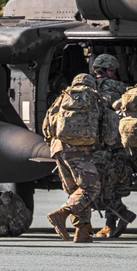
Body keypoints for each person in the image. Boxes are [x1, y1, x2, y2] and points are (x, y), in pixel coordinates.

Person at [43, 73, 104, 243]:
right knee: (90, 188)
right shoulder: (94, 97)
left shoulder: (62, 97)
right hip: (79, 149)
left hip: (57, 148)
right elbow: (108, 127)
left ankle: (82, 232)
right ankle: (61, 214)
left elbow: (46, 125)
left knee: (75, 191)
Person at [87, 53, 137, 239]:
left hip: (96, 146)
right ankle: (113, 221)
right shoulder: (123, 88)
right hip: (119, 145)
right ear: (110, 70)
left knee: (99, 186)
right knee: (114, 185)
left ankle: (116, 219)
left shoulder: (88, 89)